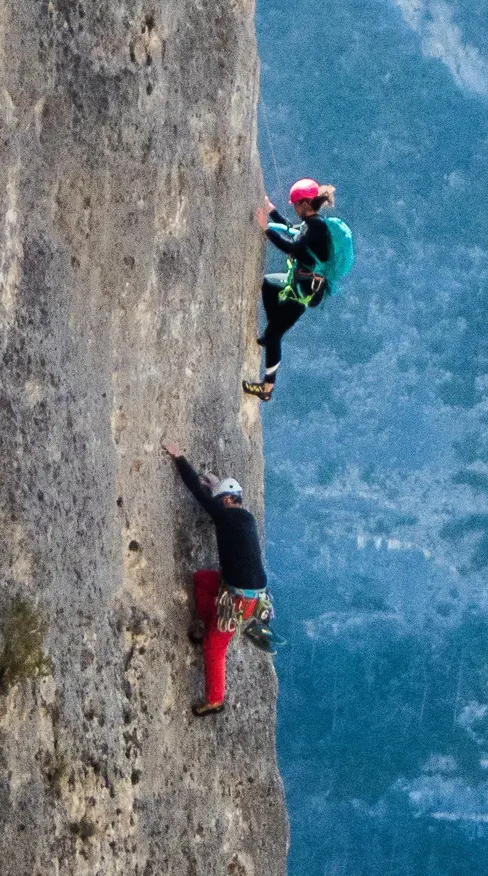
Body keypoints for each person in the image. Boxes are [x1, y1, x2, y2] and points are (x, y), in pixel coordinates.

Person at [162, 439, 272, 716]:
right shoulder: (244, 518)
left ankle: (215, 699)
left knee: (214, 647)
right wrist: (216, 486)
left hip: (238, 601)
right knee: (202, 580)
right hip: (243, 593)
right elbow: (214, 497)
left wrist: (180, 458)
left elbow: (197, 493)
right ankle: (208, 622)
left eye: (218, 500)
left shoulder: (226, 517)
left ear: (225, 501)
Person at [248, 177, 348, 401]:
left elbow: (292, 247)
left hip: (305, 292)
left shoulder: (315, 227)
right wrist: (271, 210)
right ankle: (274, 327)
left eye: (295, 205)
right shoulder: (312, 224)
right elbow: (292, 230)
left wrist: (266, 229)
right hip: (299, 283)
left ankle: (267, 388)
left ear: (304, 204)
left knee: (274, 336)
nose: (294, 209)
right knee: (268, 284)